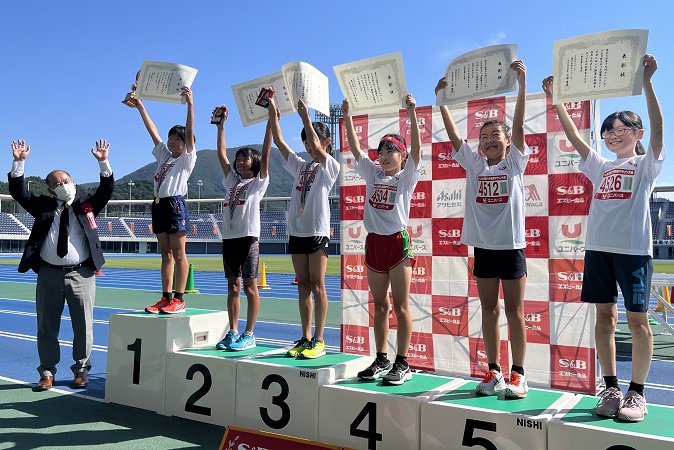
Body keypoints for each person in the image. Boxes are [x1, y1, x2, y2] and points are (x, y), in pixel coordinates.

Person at [542, 54, 664, 422]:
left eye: (620, 128)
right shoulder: (601, 165)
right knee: (604, 320)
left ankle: (637, 393)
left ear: (637, 134)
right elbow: (575, 139)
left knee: (639, 323)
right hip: (598, 251)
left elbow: (659, 130)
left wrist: (647, 83)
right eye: (607, 130)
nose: (611, 134)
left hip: (632, 252)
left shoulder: (645, 165)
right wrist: (557, 101)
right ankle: (610, 387)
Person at [436, 61, 530, 398]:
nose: (489, 140)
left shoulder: (515, 162)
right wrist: (443, 102)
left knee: (515, 311)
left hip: (512, 247)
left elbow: (518, 126)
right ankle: (494, 371)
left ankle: (519, 374)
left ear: (507, 144)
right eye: (484, 136)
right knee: (489, 310)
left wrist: (521, 88)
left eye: (496, 136)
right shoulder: (474, 165)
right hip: (484, 248)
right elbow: (455, 137)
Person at [8, 139, 114, 391]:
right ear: (50, 190)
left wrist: (103, 162)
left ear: (73, 183)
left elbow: (106, 190)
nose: (62, 186)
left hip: (82, 274)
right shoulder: (43, 206)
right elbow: (19, 193)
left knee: (84, 325)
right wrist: (19, 163)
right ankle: (46, 372)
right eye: (56, 184)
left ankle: (81, 370)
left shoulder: (87, 204)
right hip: (49, 274)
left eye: (65, 181)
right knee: (46, 326)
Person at [344, 94, 422, 386]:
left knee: (400, 305)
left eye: (392, 150)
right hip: (374, 242)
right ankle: (381, 358)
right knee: (379, 306)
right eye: (382, 150)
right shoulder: (372, 172)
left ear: (402, 156)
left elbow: (417, 150)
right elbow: (354, 146)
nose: (385, 155)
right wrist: (349, 116)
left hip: (397, 243)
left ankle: (403, 363)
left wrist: (412, 114)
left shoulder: (406, 176)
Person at [266, 94, 339, 359]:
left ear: (327, 142)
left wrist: (305, 116)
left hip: (317, 232)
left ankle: (319, 340)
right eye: (306, 141)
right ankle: (305, 336)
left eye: (313, 140)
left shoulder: (330, 165)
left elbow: (320, 152)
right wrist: (273, 112)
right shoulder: (301, 167)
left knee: (318, 286)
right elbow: (280, 142)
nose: (309, 145)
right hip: (296, 231)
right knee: (303, 285)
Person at [133, 86, 196, 314]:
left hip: (175, 205)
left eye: (178, 139)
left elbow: (190, 132)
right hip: (159, 205)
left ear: (186, 142)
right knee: (165, 254)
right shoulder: (164, 156)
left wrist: (190, 104)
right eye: (171, 137)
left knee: (179, 254)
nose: (172, 142)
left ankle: (179, 298)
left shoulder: (186, 160)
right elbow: (153, 132)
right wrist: (141, 106)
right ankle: (165, 296)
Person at [213, 105, 271, 351]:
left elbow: (267, 153)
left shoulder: (257, 183)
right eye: (239, 157)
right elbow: (221, 155)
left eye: (245, 157)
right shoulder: (231, 182)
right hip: (229, 239)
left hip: (248, 239)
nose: (239, 161)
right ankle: (233, 331)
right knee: (232, 286)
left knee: (249, 286)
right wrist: (221, 127)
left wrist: (271, 121)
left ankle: (250, 333)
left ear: (255, 163)